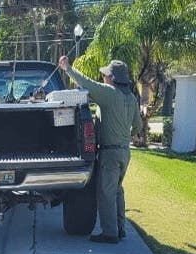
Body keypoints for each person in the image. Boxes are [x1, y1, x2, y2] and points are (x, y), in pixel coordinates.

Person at [57, 55, 143, 243]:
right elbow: (138, 126)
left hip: (109, 153)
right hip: (124, 152)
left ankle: (110, 234)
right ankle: (120, 228)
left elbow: (87, 83)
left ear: (112, 78)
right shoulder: (131, 98)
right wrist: (125, 135)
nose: (103, 77)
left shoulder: (109, 93)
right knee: (117, 190)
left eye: (105, 75)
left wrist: (67, 68)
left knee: (106, 194)